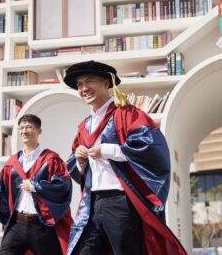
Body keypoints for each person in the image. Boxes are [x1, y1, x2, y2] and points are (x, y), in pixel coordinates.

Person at [64, 60, 186, 255]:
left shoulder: (128, 114)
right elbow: (76, 169)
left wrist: (107, 150)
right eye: (79, 85)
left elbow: (151, 149)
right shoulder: (83, 126)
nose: (84, 88)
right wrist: (80, 160)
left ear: (106, 83)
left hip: (121, 202)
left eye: (89, 81)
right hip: (91, 203)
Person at [0, 114, 72, 255]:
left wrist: (35, 186)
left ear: (39, 131)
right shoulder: (12, 163)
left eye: (29, 127)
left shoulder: (51, 159)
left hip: (40, 225)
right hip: (17, 223)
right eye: (22, 128)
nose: (24, 131)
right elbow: (1, 189)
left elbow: (63, 186)